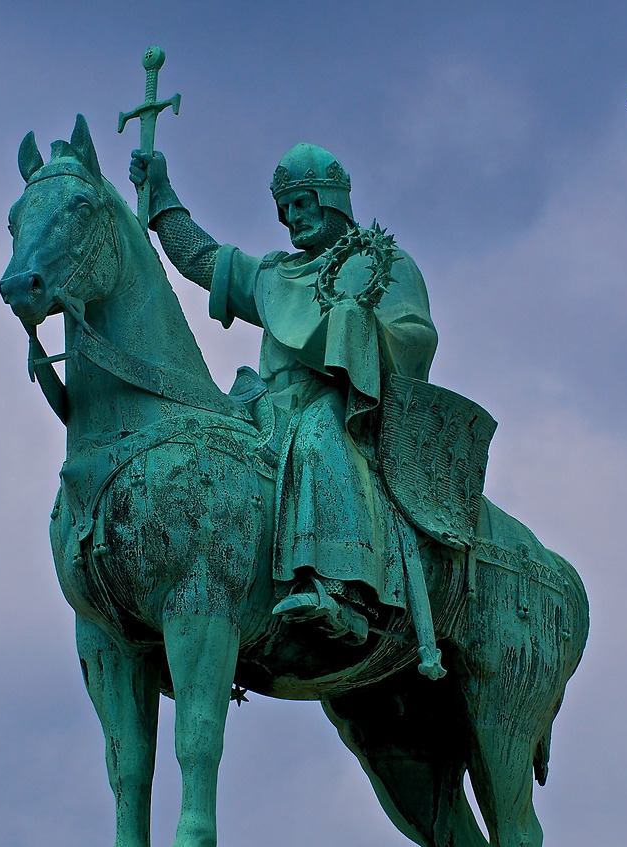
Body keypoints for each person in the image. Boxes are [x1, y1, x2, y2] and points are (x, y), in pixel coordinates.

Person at [130, 143, 437, 644]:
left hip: (344, 404)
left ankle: (341, 592)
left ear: (331, 200)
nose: (293, 218)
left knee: (319, 435)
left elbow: (417, 337)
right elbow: (203, 260)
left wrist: (358, 331)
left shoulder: (385, 263)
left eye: (303, 203)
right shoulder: (276, 274)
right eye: (285, 208)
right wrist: (161, 195)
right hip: (266, 406)